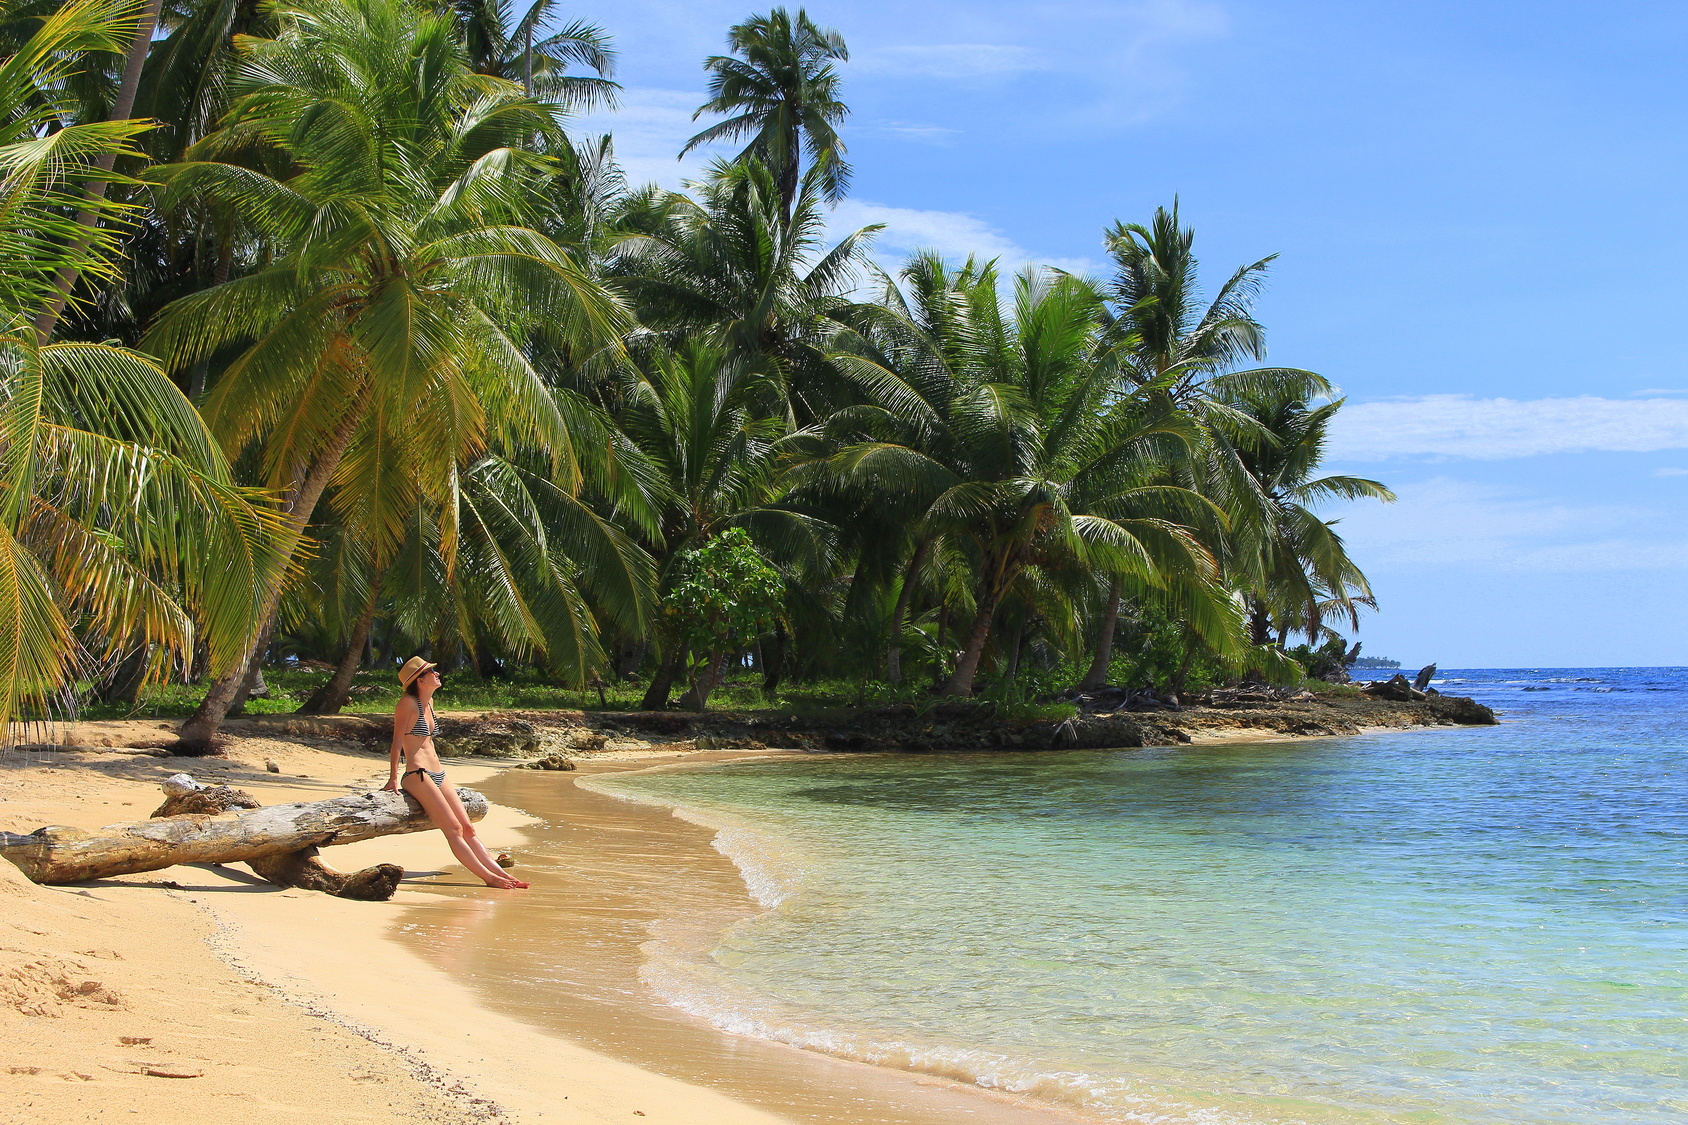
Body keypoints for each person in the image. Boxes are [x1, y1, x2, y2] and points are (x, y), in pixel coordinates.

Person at [383, 656, 528, 890]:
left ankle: (501, 873)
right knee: (454, 829)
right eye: (432, 672)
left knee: (469, 828)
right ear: (420, 680)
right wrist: (392, 779)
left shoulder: (429, 704)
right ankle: (490, 879)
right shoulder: (407, 703)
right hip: (417, 774)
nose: (437, 674)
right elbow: (396, 742)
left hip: (439, 772)